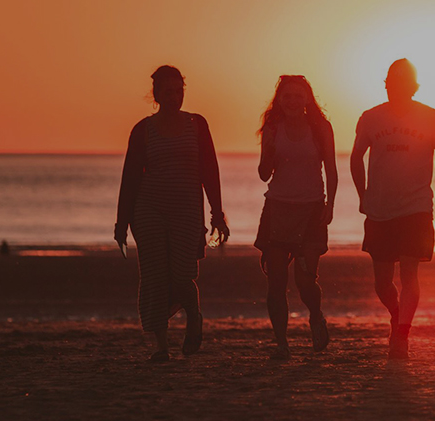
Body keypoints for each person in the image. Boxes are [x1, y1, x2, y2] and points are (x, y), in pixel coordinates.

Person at [350, 58, 435, 360]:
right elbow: (356, 157)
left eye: (403, 82)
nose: (396, 87)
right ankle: (396, 316)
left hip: (416, 207)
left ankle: (403, 334)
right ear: (385, 85)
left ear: (413, 86)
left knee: (410, 274)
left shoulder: (431, 117)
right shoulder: (371, 118)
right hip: (379, 209)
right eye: (391, 82)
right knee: (382, 283)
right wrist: (363, 195)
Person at [116, 65, 229, 363]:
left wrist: (218, 214)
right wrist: (121, 223)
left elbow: (210, 171)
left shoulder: (197, 124)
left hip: (187, 211)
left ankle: (194, 316)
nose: (175, 97)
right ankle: (161, 346)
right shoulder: (143, 130)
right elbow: (130, 178)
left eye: (179, 91)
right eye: (168, 92)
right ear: (156, 94)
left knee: (182, 274)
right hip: (149, 210)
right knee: (154, 276)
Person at [256, 75, 337, 360]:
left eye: (298, 96)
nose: (292, 101)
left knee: (304, 280)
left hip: (312, 209)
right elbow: (264, 173)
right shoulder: (273, 127)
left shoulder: (320, 128)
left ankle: (316, 316)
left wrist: (330, 205)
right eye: (286, 96)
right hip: (278, 209)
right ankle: (282, 344)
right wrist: (267, 152)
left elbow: (331, 168)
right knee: (276, 282)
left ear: (307, 100)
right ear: (279, 100)